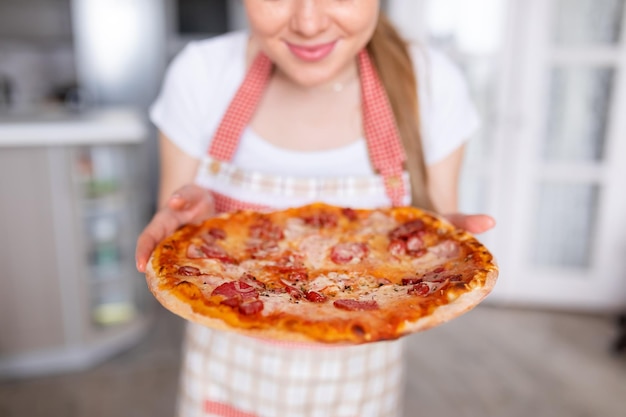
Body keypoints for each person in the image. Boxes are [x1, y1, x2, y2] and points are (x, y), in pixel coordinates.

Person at [136, 1, 495, 416]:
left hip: (358, 384)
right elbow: (175, 229)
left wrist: (438, 248)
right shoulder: (202, 73)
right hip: (230, 376)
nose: (308, 23)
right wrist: (191, 230)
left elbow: (434, 245)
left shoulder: (431, 83)